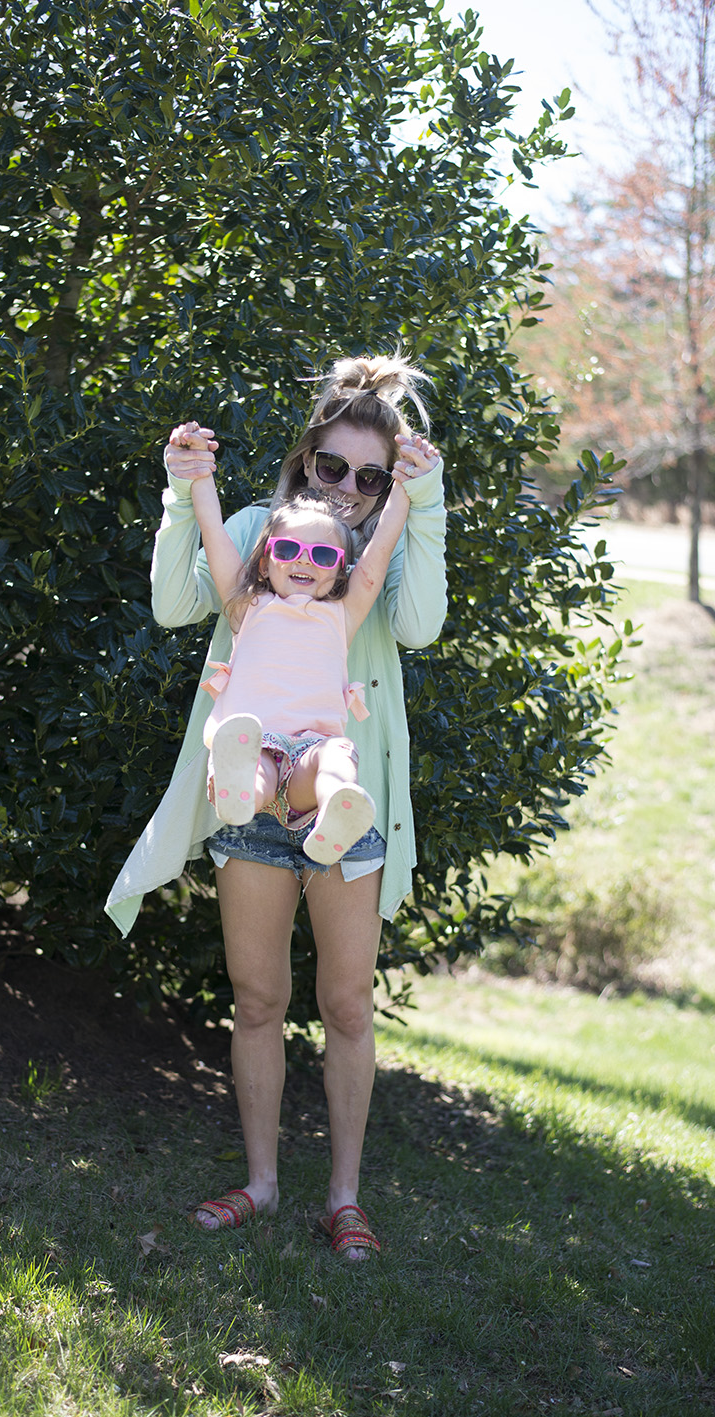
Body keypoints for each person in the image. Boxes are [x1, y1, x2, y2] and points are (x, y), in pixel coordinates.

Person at [106, 354, 446, 1260]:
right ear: (306, 459)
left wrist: (427, 502)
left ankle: (344, 1199)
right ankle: (259, 1183)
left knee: (346, 1004)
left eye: (372, 477)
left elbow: (413, 625)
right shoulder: (262, 534)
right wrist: (187, 493)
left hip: (346, 796)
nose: (349, 491)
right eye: (334, 468)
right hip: (251, 791)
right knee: (257, 999)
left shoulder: (381, 550)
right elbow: (180, 601)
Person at [194, 473, 410, 866]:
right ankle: (240, 795)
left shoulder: (341, 616)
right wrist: (198, 475)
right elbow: (213, 534)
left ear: (341, 573)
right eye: (288, 548)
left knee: (338, 757)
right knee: (252, 763)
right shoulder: (248, 609)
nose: (304, 560)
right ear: (264, 564)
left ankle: (337, 811)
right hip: (255, 742)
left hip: (312, 751)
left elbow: (379, 551)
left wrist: (407, 484)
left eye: (324, 556)